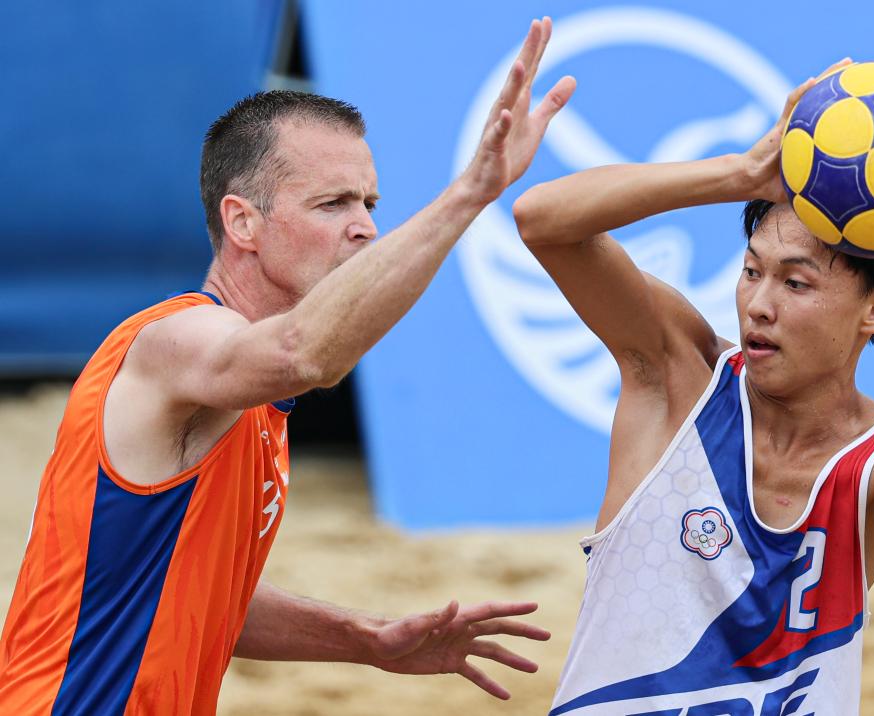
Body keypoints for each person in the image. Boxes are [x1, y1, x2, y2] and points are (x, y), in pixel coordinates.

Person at [0, 18, 576, 714]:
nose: (365, 226)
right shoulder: (177, 341)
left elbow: (202, 591)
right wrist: (469, 194)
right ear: (242, 222)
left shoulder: (253, 394)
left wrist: (368, 639)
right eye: (333, 204)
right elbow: (305, 353)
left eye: (369, 202)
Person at [512, 61, 874, 715]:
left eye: (795, 283)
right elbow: (541, 219)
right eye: (751, 271)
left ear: (873, 308)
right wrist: (740, 174)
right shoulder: (680, 376)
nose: (758, 305)